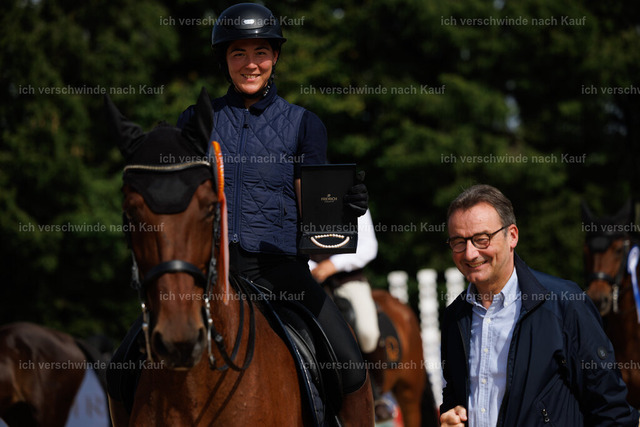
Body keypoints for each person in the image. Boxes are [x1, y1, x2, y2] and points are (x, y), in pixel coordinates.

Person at [177, 3, 373, 425]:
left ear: (276, 56)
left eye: (261, 52)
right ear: (224, 60)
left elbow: (316, 216)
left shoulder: (305, 124)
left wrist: (344, 208)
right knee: (124, 364)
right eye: (239, 53)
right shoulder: (194, 121)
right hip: (207, 275)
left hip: (280, 272)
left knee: (350, 365)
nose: (251, 64)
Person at [440, 184, 640, 427]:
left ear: (512, 236)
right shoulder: (453, 317)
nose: (470, 253)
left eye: (481, 239)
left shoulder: (565, 304)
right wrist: (450, 414)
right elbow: (454, 394)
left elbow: (612, 411)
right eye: (458, 242)